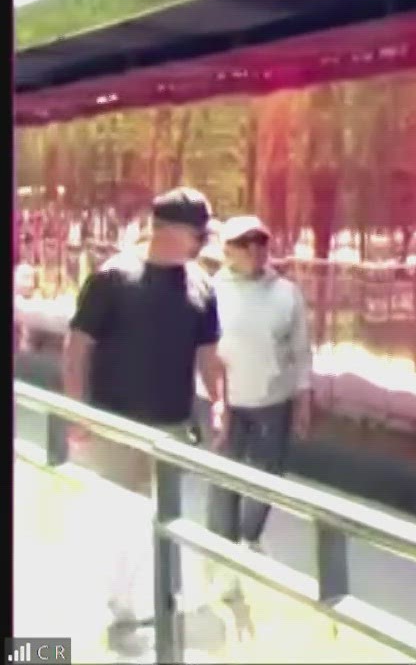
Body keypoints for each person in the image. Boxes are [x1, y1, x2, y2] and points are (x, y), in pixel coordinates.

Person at [63, 187, 227, 656]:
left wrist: (218, 401)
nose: (202, 242)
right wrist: (78, 410)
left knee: (161, 516)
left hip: (171, 427)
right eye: (198, 232)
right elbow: (78, 347)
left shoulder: (201, 285)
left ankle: (149, 603)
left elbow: (210, 353)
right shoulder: (114, 278)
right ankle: (120, 611)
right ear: (169, 230)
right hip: (115, 423)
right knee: (123, 517)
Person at [204, 216, 313, 559]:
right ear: (227, 250)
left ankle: (249, 537)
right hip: (224, 402)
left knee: (268, 474)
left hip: (273, 401)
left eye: (260, 243)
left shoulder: (286, 294)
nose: (254, 251)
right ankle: (221, 547)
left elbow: (301, 351)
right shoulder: (211, 292)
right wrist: (212, 400)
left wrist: (304, 402)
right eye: (245, 244)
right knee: (225, 473)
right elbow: (201, 351)